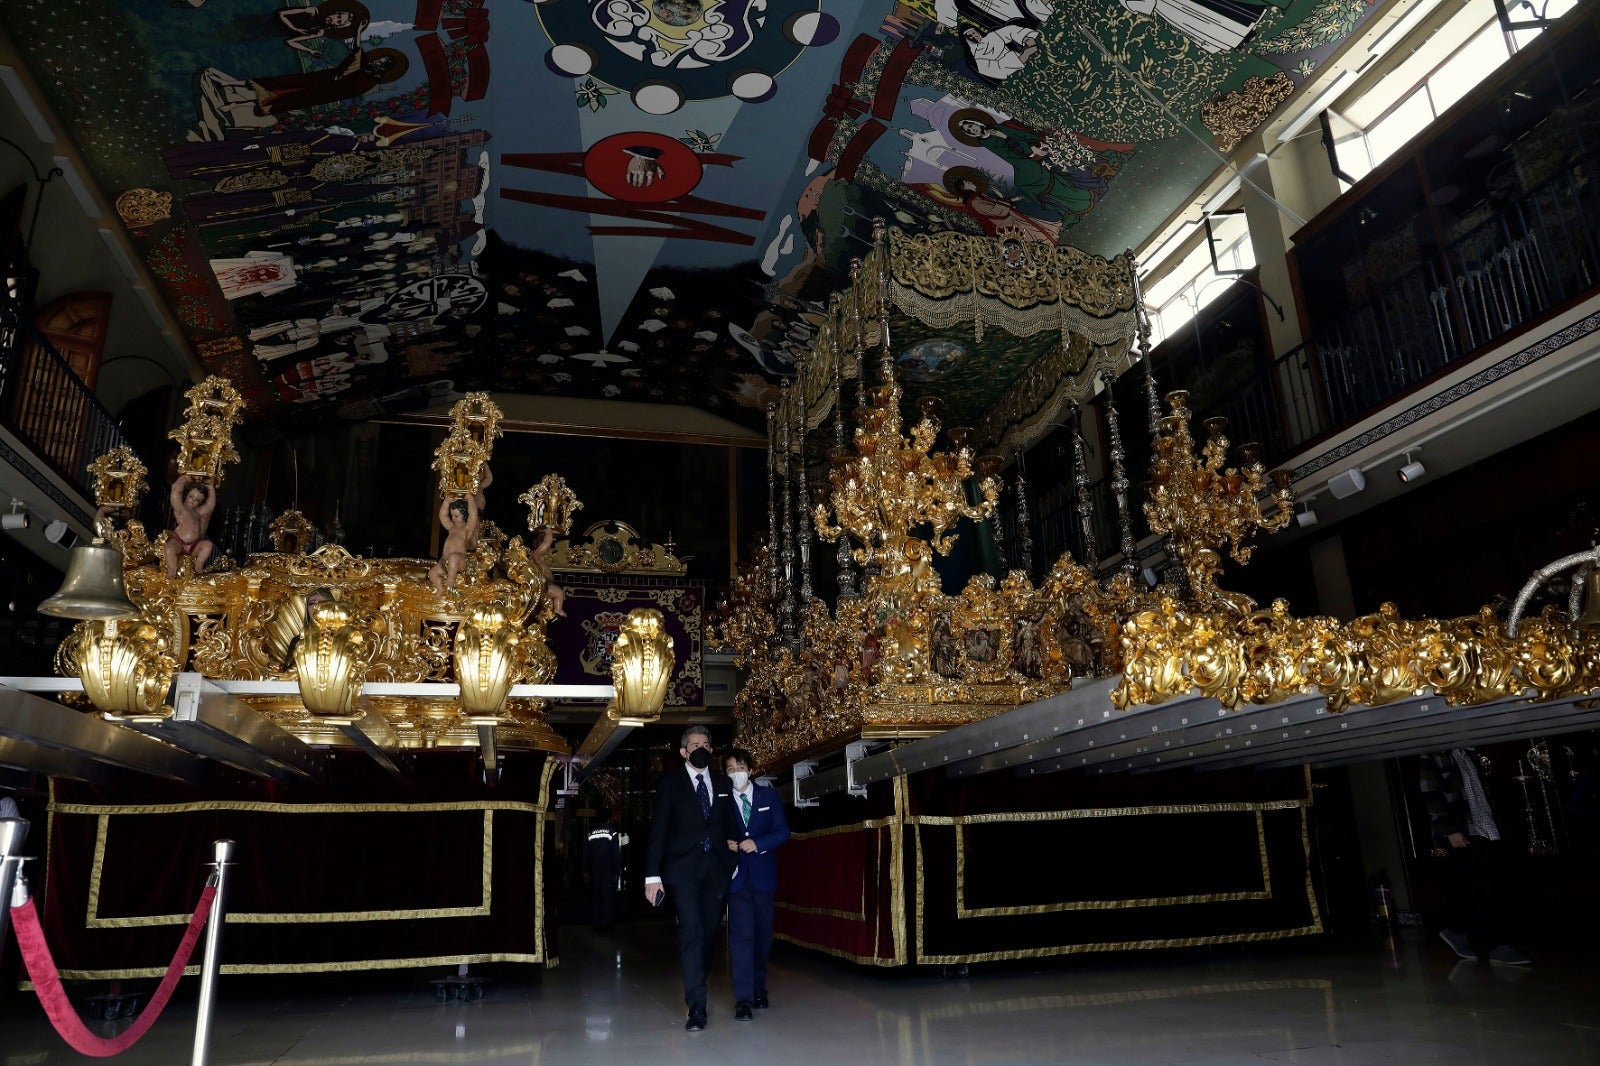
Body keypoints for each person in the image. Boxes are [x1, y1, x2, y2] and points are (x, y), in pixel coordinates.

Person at [644, 726, 740, 1031]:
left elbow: (732, 825)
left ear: (711, 750)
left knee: (709, 934)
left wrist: (733, 861)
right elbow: (658, 830)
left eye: (706, 744)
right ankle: (697, 1008)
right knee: (692, 933)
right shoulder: (671, 783)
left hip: (716, 870)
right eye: (694, 744)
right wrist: (652, 875)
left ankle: (699, 977)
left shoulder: (724, 783)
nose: (701, 748)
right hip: (682, 871)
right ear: (684, 752)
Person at [1420, 750, 1531, 966]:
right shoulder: (1433, 755)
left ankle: (1457, 930)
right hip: (1459, 830)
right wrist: (1449, 830)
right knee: (1482, 884)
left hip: (1483, 829)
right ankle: (1495, 944)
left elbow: (1479, 794)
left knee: (1482, 884)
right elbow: (1429, 793)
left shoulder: (1467, 753)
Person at [723, 748, 790, 1022]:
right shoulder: (723, 799)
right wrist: (725, 843)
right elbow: (714, 832)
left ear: (750, 769)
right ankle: (743, 1000)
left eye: (740, 767)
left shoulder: (768, 796)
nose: (736, 773)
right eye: (730, 769)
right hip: (737, 879)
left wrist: (758, 844)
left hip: (763, 878)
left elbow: (783, 832)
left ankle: (759, 986)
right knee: (741, 938)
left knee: (762, 936)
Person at [166, 475, 218, 579]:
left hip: (194, 545)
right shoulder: (181, 509)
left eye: (198, 500)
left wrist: (211, 488)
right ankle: (171, 570)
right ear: (186, 495)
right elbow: (175, 491)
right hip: (179, 542)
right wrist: (184, 478)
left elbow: (210, 505)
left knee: (208, 545)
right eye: (191, 496)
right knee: (169, 548)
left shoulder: (198, 512)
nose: (193, 501)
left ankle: (198, 565)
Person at [428, 495, 479, 594]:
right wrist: (446, 502)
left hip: (460, 562)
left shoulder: (466, 530)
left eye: (456, 516)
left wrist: (471, 499)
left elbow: (473, 516)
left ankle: (450, 581)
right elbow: (442, 516)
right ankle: (440, 588)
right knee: (432, 573)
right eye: (452, 516)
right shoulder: (452, 528)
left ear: (464, 515)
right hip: (445, 562)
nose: (453, 519)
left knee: (453, 557)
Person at [584, 811, 623, 932]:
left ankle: (597, 923)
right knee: (607, 897)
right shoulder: (612, 833)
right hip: (608, 870)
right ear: (608, 819)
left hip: (595, 871)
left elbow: (586, 853)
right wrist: (618, 870)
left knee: (597, 898)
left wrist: (585, 870)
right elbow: (615, 854)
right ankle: (606, 925)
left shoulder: (591, 834)